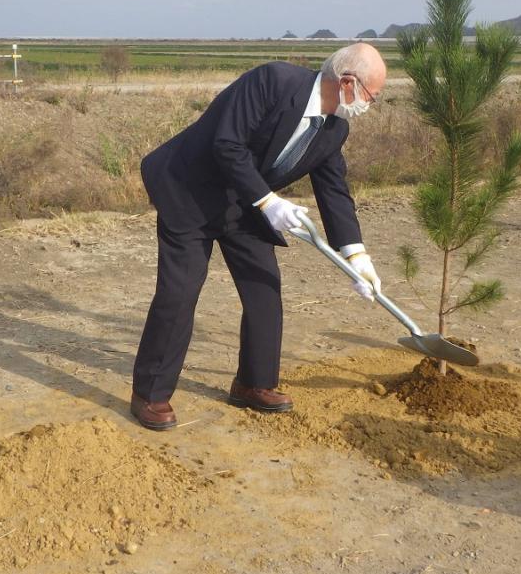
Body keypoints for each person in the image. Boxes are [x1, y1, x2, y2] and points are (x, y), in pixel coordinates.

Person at [130, 43, 387, 430]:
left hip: (243, 204)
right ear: (348, 82)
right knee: (179, 293)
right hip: (190, 191)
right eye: (372, 96)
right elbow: (227, 144)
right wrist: (270, 203)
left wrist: (356, 256)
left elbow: (334, 190)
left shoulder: (335, 128)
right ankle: (150, 395)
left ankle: (252, 384)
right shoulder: (273, 81)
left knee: (264, 290)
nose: (370, 105)